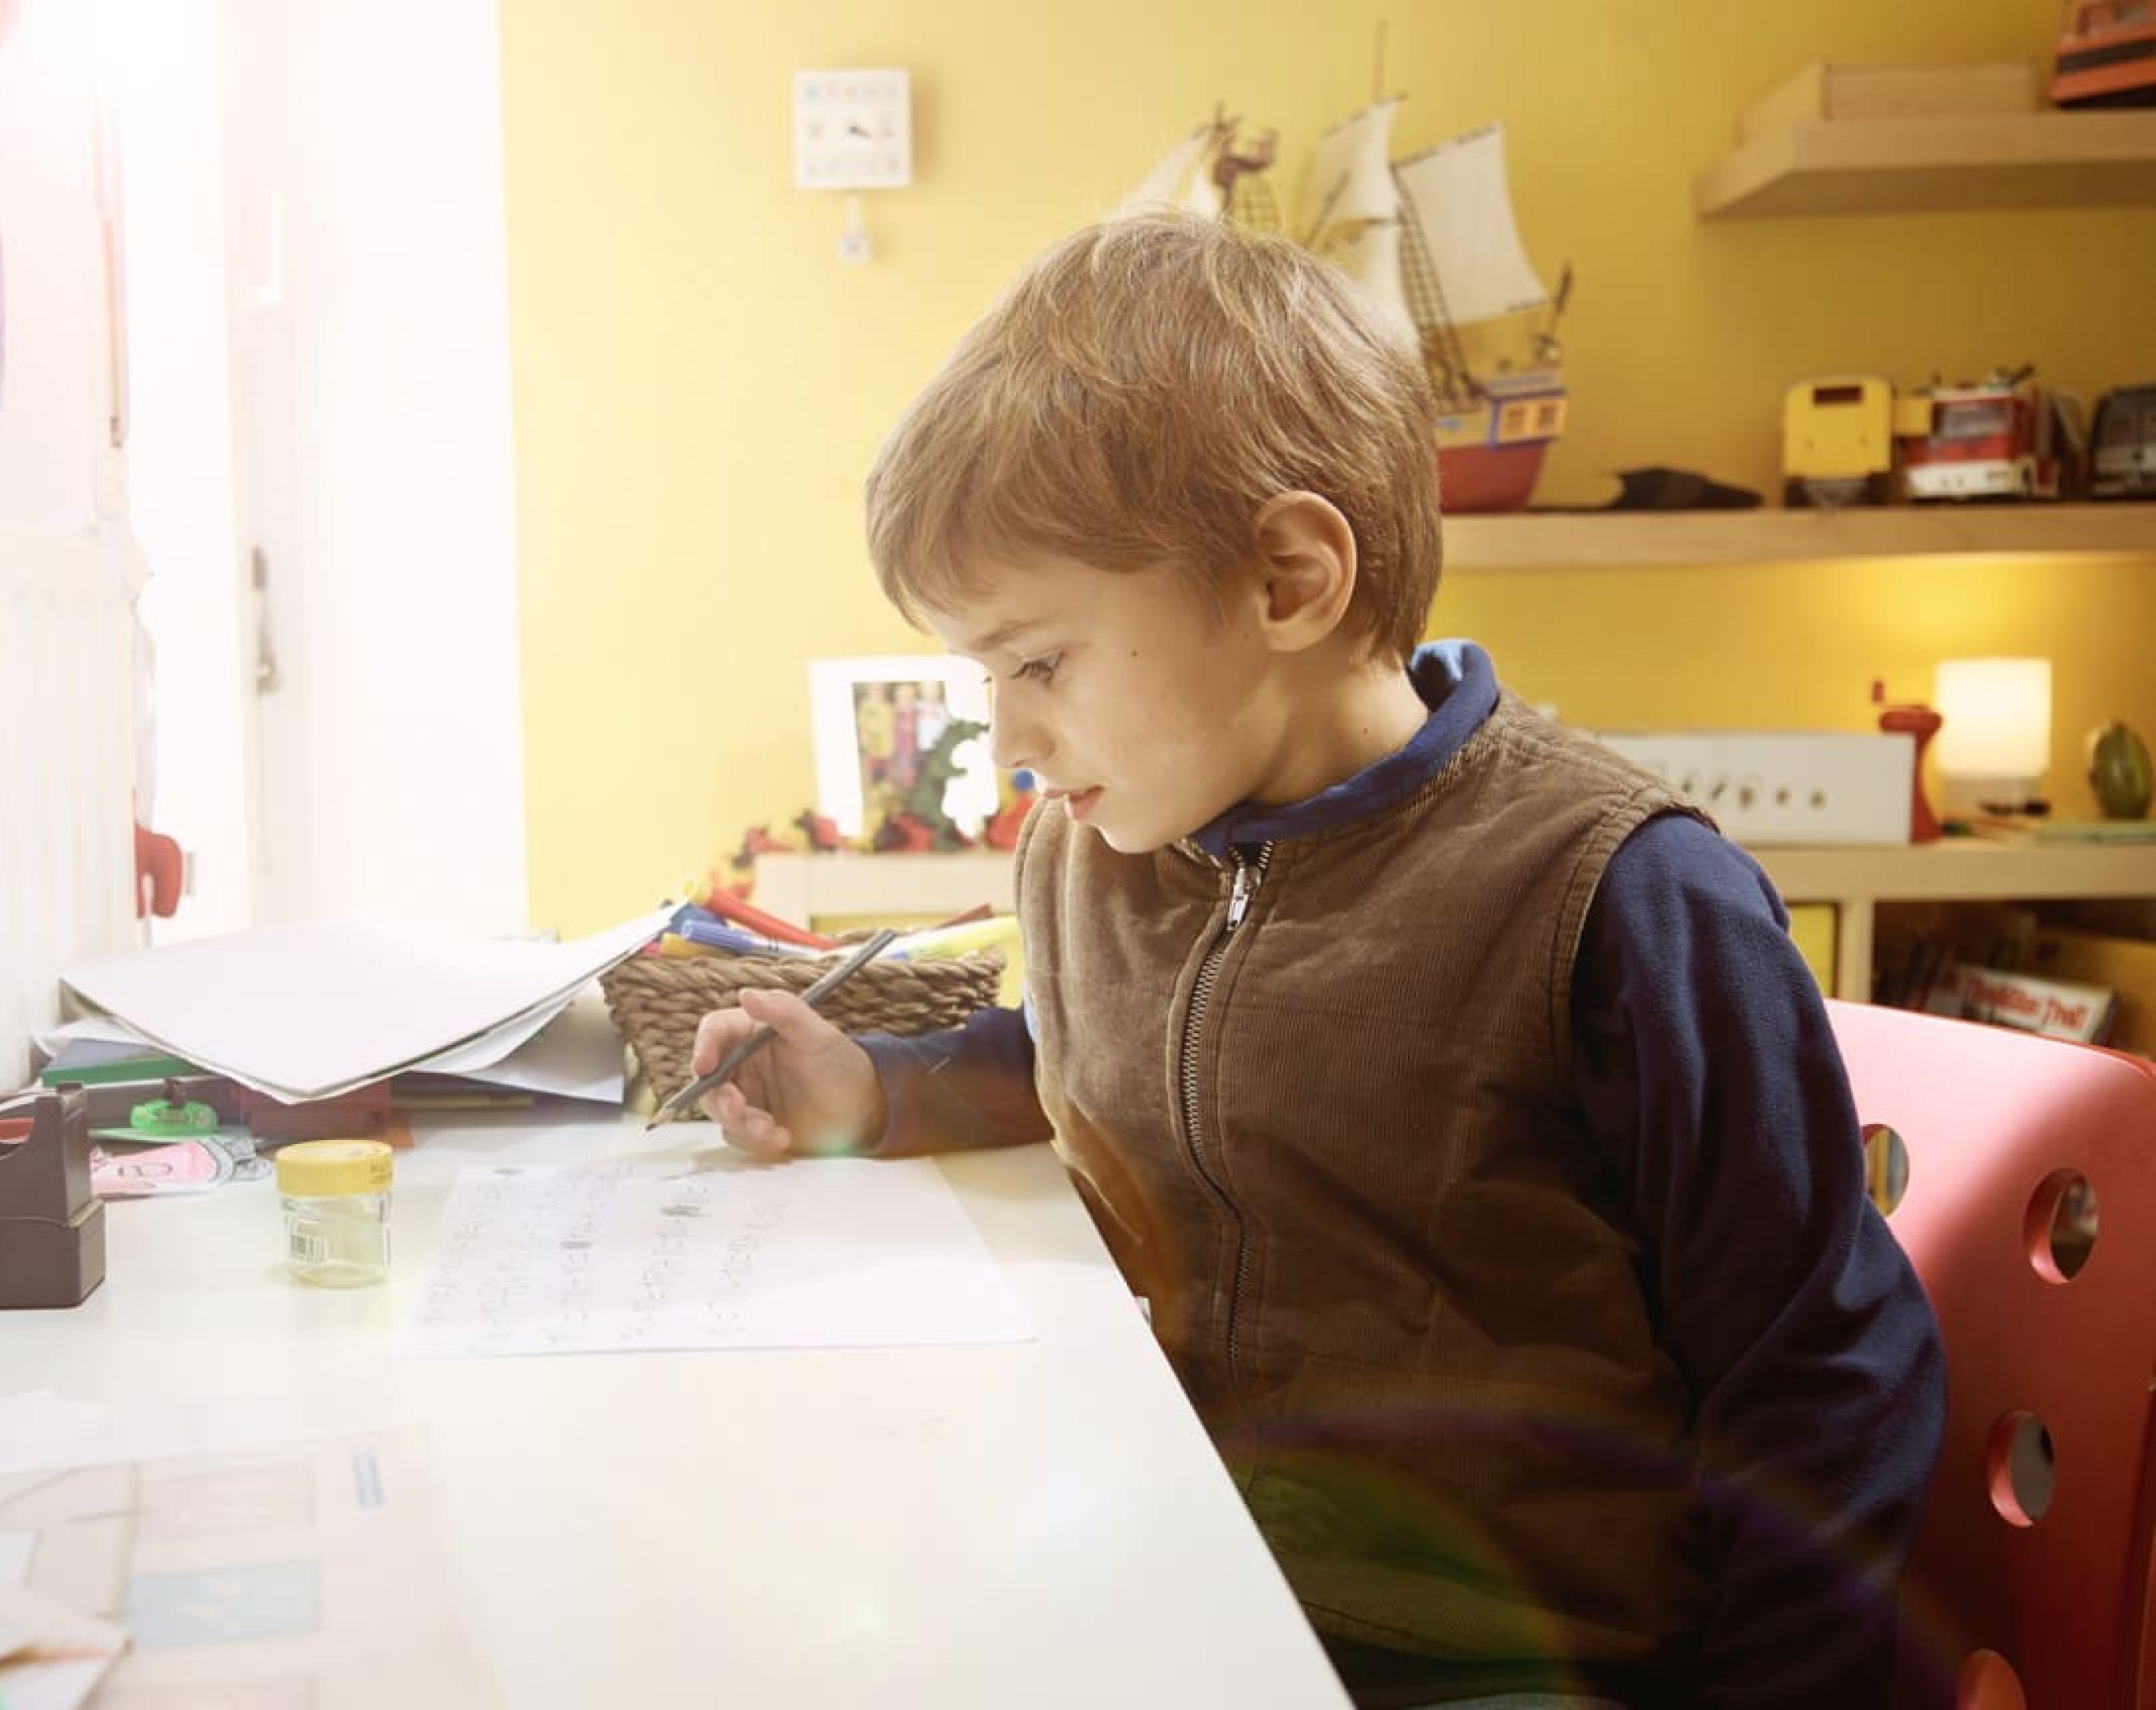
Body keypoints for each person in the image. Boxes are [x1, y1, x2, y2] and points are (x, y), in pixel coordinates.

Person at [686, 214, 1945, 1709]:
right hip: (1180, 1572)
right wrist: (879, 1094)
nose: (1007, 743)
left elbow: (1824, 1373)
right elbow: (1088, 1060)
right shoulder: (1110, 852)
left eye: (1040, 664)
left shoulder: (1620, 899)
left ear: (1288, 580)